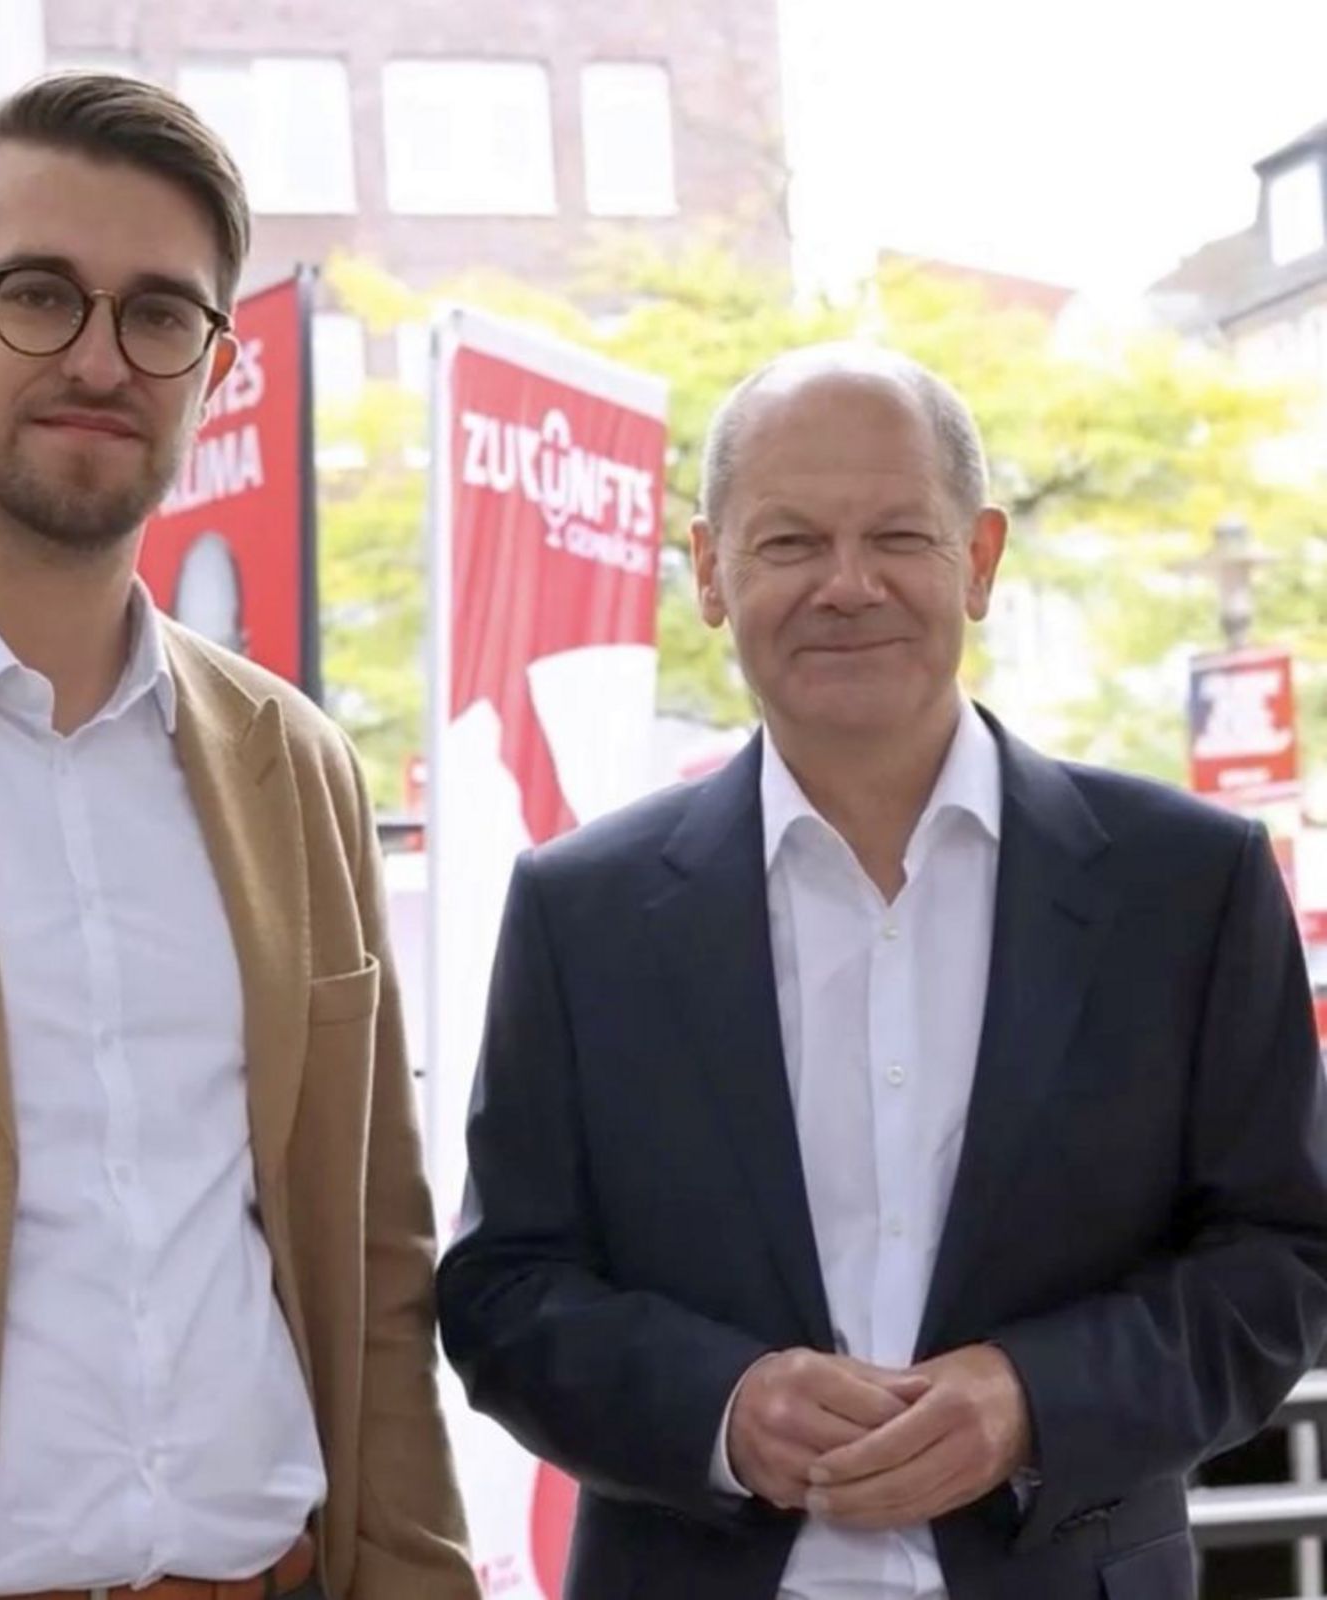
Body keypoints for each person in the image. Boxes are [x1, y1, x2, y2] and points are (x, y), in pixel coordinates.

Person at [436, 342, 1327, 1599]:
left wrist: (1031, 1399)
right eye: (789, 542)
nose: (846, 585)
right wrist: (722, 1407)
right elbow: (502, 1290)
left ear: (980, 559)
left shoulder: (1186, 886)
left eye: (898, 536)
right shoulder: (580, 911)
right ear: (708, 571)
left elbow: (1282, 1262)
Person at [0, 72, 475, 1600]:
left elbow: (378, 1267)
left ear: (215, 367)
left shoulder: (294, 769)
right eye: (39, 293)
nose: (101, 358)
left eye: (161, 314)